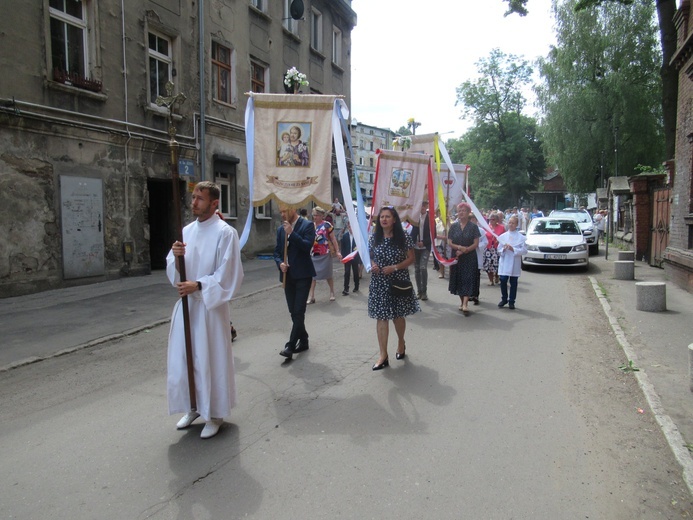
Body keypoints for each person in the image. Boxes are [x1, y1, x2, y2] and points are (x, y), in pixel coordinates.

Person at [167, 181, 244, 439]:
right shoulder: (186, 231)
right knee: (187, 358)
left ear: (214, 203)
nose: (194, 202)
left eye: (200, 198)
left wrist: (198, 284)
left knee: (209, 359)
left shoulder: (225, 233)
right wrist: (175, 256)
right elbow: (174, 269)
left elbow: (229, 273)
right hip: (188, 306)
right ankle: (194, 406)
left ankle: (215, 413)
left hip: (209, 308)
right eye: (193, 197)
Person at [368, 206, 420, 370]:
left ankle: (401, 342)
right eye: (381, 217)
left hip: (397, 281)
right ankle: (383, 355)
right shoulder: (374, 237)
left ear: (394, 220)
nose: (383, 219)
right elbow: (368, 255)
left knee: (398, 315)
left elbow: (411, 258)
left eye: (387, 216)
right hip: (379, 282)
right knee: (381, 317)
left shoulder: (403, 237)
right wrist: (373, 264)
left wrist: (395, 267)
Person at [274, 204, 316, 360]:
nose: (283, 214)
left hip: (303, 275)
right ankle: (303, 339)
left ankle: (290, 345)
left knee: (299, 310)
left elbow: (307, 247)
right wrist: (280, 263)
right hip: (288, 276)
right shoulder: (280, 230)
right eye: (281, 212)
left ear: (293, 209)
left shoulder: (307, 225)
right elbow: (277, 252)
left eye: (285, 211)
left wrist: (292, 234)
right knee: (293, 311)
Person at [447, 202, 481, 315]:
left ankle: (466, 303)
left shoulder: (473, 227)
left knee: (468, 279)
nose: (461, 213)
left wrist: (466, 249)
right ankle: (462, 302)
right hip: (457, 256)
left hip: (469, 256)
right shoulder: (454, 226)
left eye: (464, 210)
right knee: (459, 279)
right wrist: (459, 248)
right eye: (459, 210)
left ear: (468, 212)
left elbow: (476, 243)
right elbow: (449, 241)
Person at [307, 206, 342, 303]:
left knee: (328, 274)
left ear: (322, 216)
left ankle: (331, 292)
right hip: (313, 253)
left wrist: (337, 251)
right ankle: (311, 296)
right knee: (312, 276)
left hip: (325, 253)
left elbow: (333, 239)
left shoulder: (327, 225)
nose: (315, 217)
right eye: (314, 215)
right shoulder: (310, 225)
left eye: (317, 215)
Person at [497, 215, 527, 309]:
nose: (511, 224)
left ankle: (512, 301)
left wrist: (513, 249)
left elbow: (524, 250)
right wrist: (503, 249)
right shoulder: (503, 236)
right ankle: (504, 298)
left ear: (517, 225)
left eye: (513, 223)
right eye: (509, 222)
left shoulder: (521, 237)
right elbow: (498, 249)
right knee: (503, 280)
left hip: (514, 262)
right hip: (505, 261)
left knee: (513, 282)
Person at [410, 200, 432, 300]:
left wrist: (424, 242)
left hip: (425, 247)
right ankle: (419, 291)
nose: (422, 207)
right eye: (420, 205)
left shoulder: (430, 218)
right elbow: (412, 233)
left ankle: (424, 291)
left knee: (423, 267)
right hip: (415, 247)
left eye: (424, 205)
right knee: (417, 269)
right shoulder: (414, 218)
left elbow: (433, 234)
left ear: (426, 206)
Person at [469, 213, 488, 305]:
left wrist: (477, 246)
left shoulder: (481, 231)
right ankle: (469, 294)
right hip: (467, 256)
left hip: (477, 255)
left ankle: (475, 294)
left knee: (476, 276)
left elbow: (485, 242)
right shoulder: (466, 230)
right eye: (470, 219)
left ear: (477, 220)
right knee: (468, 276)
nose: (472, 221)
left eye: (473, 219)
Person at [483, 212, 505, 286]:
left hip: (497, 248)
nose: (491, 220)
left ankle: (497, 276)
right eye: (490, 219)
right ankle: (491, 280)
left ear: (497, 220)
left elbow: (504, 237)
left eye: (493, 219)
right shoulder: (486, 227)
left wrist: (499, 241)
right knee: (488, 265)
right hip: (488, 248)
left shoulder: (501, 227)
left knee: (497, 264)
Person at [340, 221, 360, 296]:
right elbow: (343, 247)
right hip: (347, 257)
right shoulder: (345, 236)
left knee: (355, 272)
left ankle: (356, 285)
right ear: (348, 227)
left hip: (355, 257)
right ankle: (346, 288)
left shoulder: (357, 236)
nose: (351, 228)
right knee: (347, 272)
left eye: (352, 227)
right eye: (349, 226)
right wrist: (343, 256)